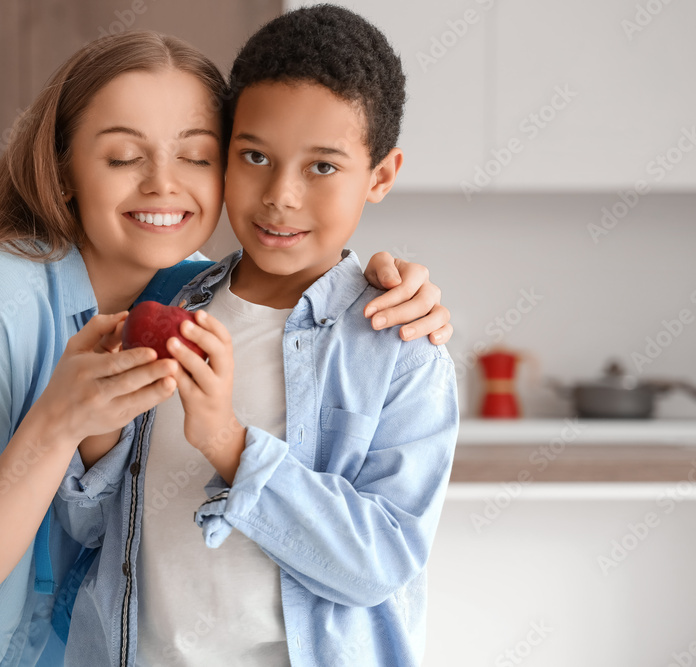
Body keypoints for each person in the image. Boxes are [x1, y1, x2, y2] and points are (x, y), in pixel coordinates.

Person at [0, 30, 451, 667]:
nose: (164, 184)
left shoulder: (184, 298)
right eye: (122, 156)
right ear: (63, 170)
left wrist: (379, 277)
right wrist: (59, 422)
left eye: (197, 156)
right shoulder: (0, 291)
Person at [54, 6, 460, 666]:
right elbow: (92, 535)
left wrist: (227, 441)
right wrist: (95, 435)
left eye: (322, 167)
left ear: (380, 176)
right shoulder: (163, 304)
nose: (281, 196)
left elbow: (377, 565)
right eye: (254, 156)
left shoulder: (401, 348)